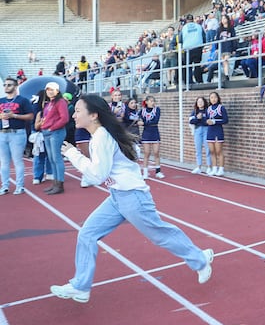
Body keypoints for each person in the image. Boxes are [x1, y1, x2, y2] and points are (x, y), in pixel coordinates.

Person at [50, 94, 213, 304]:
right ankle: (81, 286)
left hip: (133, 197)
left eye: (78, 110)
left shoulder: (101, 138)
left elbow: (98, 175)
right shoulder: (98, 136)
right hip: (117, 197)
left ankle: (200, 260)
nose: (73, 115)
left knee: (160, 234)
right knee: (87, 234)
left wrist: (74, 155)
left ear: (93, 115)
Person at [0, 76, 34, 195]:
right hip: (2, 134)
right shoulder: (1, 100)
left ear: (15, 87)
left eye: (9, 85)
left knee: (17, 160)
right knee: (4, 162)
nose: (6, 87)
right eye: (5, 85)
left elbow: (30, 116)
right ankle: (5, 186)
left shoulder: (22, 100)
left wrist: (14, 116)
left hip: (17, 133)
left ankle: (19, 186)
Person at [38, 82, 69, 195]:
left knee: (56, 158)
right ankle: (55, 183)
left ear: (57, 90)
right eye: (48, 89)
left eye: (52, 89)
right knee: (51, 159)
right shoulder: (49, 103)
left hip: (56, 132)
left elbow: (64, 118)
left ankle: (59, 184)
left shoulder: (60, 102)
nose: (50, 91)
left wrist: (52, 127)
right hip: (48, 132)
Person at [138, 96, 164, 179]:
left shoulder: (157, 109)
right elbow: (139, 120)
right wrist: (140, 121)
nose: (153, 102)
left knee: (156, 152)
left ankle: (158, 171)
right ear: (146, 102)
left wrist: (144, 123)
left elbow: (156, 121)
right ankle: (145, 173)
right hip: (146, 133)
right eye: (151, 101)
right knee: (147, 153)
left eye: (153, 101)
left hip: (154, 132)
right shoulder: (142, 111)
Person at [206, 91, 228, 176]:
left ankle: (221, 169)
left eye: (215, 97)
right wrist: (207, 121)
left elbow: (225, 120)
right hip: (210, 131)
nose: (213, 99)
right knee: (212, 151)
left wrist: (214, 121)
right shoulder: (208, 108)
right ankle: (214, 168)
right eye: (211, 97)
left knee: (219, 151)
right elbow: (206, 120)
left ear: (218, 98)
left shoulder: (221, 108)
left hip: (218, 131)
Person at [180, 13, 206, 84]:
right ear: (193, 19)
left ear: (186, 20)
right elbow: (204, 37)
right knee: (197, 64)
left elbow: (180, 40)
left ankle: (189, 82)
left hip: (187, 49)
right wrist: (202, 46)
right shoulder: (199, 26)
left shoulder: (184, 28)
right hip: (197, 48)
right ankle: (199, 81)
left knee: (188, 66)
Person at [189, 96, 211, 174]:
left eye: (201, 102)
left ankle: (209, 167)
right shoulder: (195, 111)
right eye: (198, 102)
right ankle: (199, 167)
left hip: (206, 130)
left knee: (208, 149)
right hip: (197, 130)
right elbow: (191, 121)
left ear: (204, 102)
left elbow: (208, 121)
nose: (200, 103)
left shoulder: (208, 110)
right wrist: (197, 118)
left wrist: (203, 120)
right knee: (198, 149)